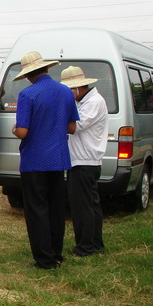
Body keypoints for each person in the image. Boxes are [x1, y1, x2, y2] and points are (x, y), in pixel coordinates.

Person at [12, 52, 79, 269]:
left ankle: (44, 258)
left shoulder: (27, 94)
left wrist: (14, 129)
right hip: (58, 158)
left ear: (28, 74)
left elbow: (22, 131)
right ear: (46, 68)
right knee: (56, 208)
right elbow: (72, 127)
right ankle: (56, 253)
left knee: (37, 209)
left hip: (34, 160)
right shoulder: (65, 91)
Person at [60, 66, 108, 257]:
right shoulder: (85, 101)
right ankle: (95, 243)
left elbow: (74, 127)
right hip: (82, 160)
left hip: (85, 161)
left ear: (77, 88)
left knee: (82, 206)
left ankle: (85, 246)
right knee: (90, 204)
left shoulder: (93, 102)